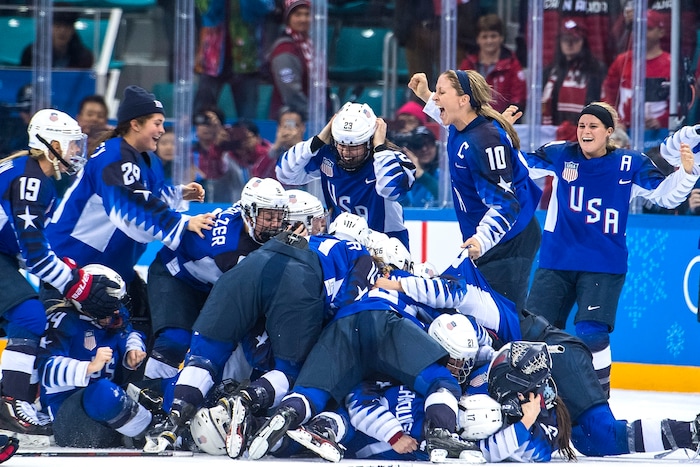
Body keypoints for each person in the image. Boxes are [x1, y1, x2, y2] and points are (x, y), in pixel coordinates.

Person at [521, 102, 699, 396]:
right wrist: (500, 131)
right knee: (537, 330)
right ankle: (537, 398)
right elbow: (520, 165)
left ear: (608, 132)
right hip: (556, 259)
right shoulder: (560, 154)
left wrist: (688, 174)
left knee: (592, 331)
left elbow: (665, 197)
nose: (585, 131)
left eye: (593, 126)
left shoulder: (630, 164)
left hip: (603, 263)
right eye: (581, 125)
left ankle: (599, 399)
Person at [43, 86, 214, 326]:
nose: (161, 130)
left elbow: (147, 195)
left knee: (139, 333)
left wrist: (178, 194)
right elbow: (127, 208)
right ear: (135, 124)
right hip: (71, 269)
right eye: (156, 123)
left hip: (109, 270)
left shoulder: (148, 159)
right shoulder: (113, 156)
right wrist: (181, 222)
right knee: (69, 343)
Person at [0, 109, 123, 436]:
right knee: (29, 317)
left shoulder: (24, 171)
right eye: (71, 145)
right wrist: (76, 283)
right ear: (50, 143)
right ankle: (11, 402)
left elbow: (31, 249)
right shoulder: (31, 180)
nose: (76, 153)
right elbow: (37, 257)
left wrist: (66, 272)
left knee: (25, 316)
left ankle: (14, 398)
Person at [408, 69, 542, 311]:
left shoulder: (484, 140)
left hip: (509, 239)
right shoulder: (462, 127)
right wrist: (425, 94)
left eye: (441, 92)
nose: (436, 98)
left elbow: (506, 205)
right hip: (492, 239)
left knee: (502, 319)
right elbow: (449, 119)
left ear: (464, 99)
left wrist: (481, 240)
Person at [142, 177, 288, 397]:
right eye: (268, 217)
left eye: (278, 216)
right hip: (176, 276)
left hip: (213, 282)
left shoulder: (248, 218)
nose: (275, 224)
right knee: (176, 340)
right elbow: (250, 295)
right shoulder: (230, 250)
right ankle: (150, 396)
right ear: (249, 214)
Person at [37, 264, 159, 448]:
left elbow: (130, 332)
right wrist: (89, 367)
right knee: (103, 391)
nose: (117, 309)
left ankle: (174, 424)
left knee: (165, 383)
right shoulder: (63, 320)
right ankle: (153, 431)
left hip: (114, 407)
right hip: (71, 417)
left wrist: (131, 349)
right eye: (110, 301)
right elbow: (46, 369)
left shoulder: (114, 315)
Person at [276, 101, 416, 248]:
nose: (346, 154)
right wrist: (318, 141)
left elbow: (391, 191)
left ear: (370, 140)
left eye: (354, 147)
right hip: (341, 245)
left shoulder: (392, 159)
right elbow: (284, 173)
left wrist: (380, 148)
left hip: (386, 246)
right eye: (341, 145)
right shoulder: (328, 155)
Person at [602, 9, 672, 152]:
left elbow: (679, 103)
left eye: (649, 29)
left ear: (661, 32)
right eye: (638, 28)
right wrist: (615, 121)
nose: (642, 33)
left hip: (658, 138)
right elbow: (608, 93)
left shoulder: (671, 63)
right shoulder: (622, 61)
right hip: (623, 135)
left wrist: (661, 121)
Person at [193, 0, 274, 119]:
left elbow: (266, 7)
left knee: (248, 119)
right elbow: (206, 10)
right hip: (212, 59)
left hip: (247, 59)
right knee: (201, 115)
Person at [541, 17, 607, 142]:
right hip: (554, 135)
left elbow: (602, 104)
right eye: (565, 39)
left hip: (588, 135)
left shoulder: (596, 70)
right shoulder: (549, 71)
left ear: (584, 42)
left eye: (575, 40)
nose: (569, 44)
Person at [458, 14, 526, 114]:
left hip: (504, 124)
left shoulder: (512, 65)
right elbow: (459, 96)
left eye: (493, 36)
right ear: (478, 39)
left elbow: (518, 101)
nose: (489, 41)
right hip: (472, 125)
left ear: (501, 38)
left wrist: (498, 121)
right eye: (484, 37)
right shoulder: (468, 65)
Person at [266, 0, 312, 121]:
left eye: (307, 14)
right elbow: (291, 92)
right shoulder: (285, 49)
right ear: (288, 18)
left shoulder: (309, 45)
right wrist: (311, 115)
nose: (303, 19)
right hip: (291, 120)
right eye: (298, 15)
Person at [20, 11, 93, 69]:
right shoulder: (32, 53)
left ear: (73, 30)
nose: (62, 31)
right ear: (48, 28)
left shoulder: (84, 57)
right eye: (58, 26)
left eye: (67, 26)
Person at [400, 126, 440, 208]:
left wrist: (421, 175)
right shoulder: (402, 177)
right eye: (418, 145)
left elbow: (446, 198)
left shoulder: (443, 176)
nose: (424, 149)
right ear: (409, 150)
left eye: (429, 144)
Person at [264, 107, 306, 181]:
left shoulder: (310, 150)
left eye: (295, 125)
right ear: (279, 128)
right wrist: (276, 146)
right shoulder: (271, 153)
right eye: (285, 126)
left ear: (303, 127)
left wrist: (297, 147)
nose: (289, 130)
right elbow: (258, 176)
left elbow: (311, 178)